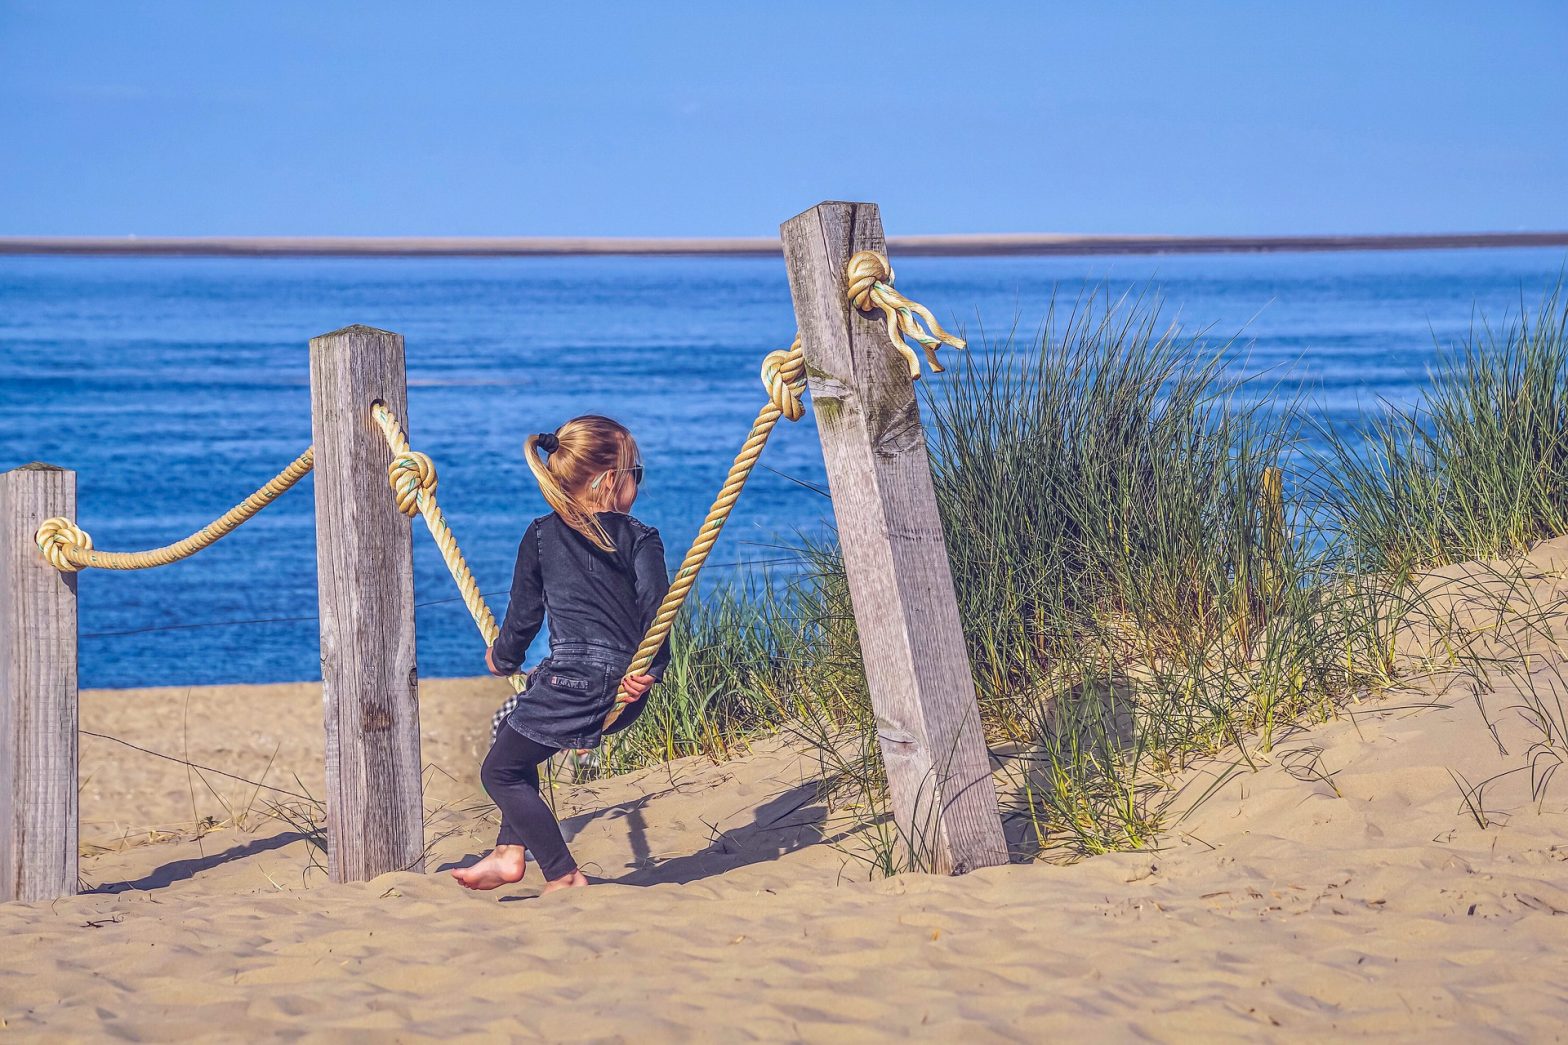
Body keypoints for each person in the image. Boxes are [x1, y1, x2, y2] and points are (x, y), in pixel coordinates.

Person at [451, 415, 669, 894]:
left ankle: (562, 873)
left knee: (499, 770)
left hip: (575, 680)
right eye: (638, 473)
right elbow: (659, 615)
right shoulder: (641, 538)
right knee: (512, 728)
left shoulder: (541, 535)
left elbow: (523, 615)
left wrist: (503, 657)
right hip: (620, 686)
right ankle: (509, 851)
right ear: (610, 481)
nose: (639, 483)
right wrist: (647, 672)